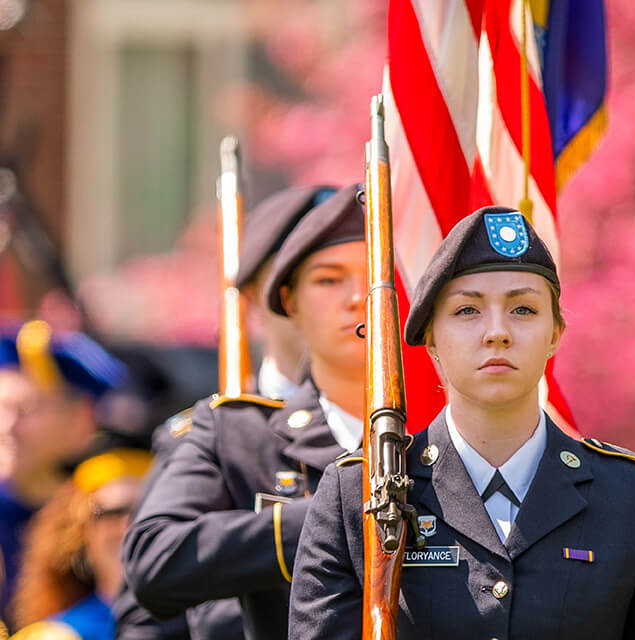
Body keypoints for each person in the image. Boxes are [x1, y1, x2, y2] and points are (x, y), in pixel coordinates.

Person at [288, 206, 635, 639]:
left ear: (555, 333)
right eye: (468, 311)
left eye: (523, 309)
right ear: (431, 339)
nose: (497, 332)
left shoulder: (633, 497)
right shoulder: (358, 492)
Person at [121, 184, 368, 640]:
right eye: (327, 278)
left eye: (371, 274)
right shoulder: (225, 430)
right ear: (275, 296)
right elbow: (149, 601)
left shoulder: (435, 425)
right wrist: (329, 520)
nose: (356, 298)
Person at [0, 321, 126, 622]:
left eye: (24, 409)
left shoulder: (109, 513)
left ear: (82, 419)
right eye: (0, 408)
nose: (7, 427)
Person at [9, 434, 153, 639]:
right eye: (112, 512)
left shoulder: (201, 622)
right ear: (80, 532)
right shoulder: (54, 635)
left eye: (145, 511)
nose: (128, 527)